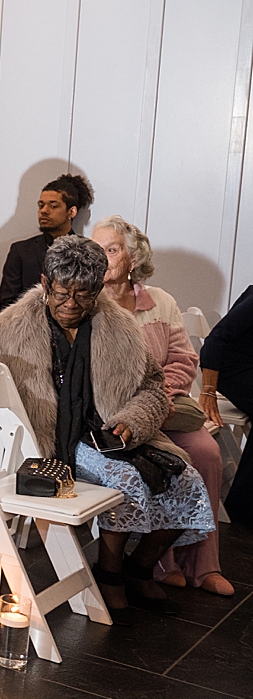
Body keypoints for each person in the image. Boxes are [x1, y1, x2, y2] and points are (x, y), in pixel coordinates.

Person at [0, 236, 214, 622]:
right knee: (125, 480)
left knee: (187, 479)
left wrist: (132, 421)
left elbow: (154, 387)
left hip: (108, 431)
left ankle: (139, 567)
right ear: (44, 282)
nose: (71, 304)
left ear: (99, 288)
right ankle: (109, 573)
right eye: (62, 292)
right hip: (51, 443)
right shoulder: (12, 326)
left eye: (84, 295)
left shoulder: (118, 326)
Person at [92, 217, 232, 597]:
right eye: (97, 249)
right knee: (167, 461)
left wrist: (161, 399)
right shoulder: (90, 304)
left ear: (132, 256)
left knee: (206, 453)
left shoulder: (160, 302)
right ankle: (160, 562)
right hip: (120, 416)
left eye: (112, 249)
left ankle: (204, 565)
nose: (102, 257)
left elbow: (183, 360)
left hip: (165, 406)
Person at [0, 172, 94, 309]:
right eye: (41, 205)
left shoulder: (87, 251)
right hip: (28, 324)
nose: (44, 211)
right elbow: (7, 304)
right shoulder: (21, 251)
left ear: (71, 212)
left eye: (53, 206)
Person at [204, 284, 253, 523]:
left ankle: (242, 505)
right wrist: (208, 391)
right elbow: (216, 340)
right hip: (231, 371)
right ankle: (242, 509)